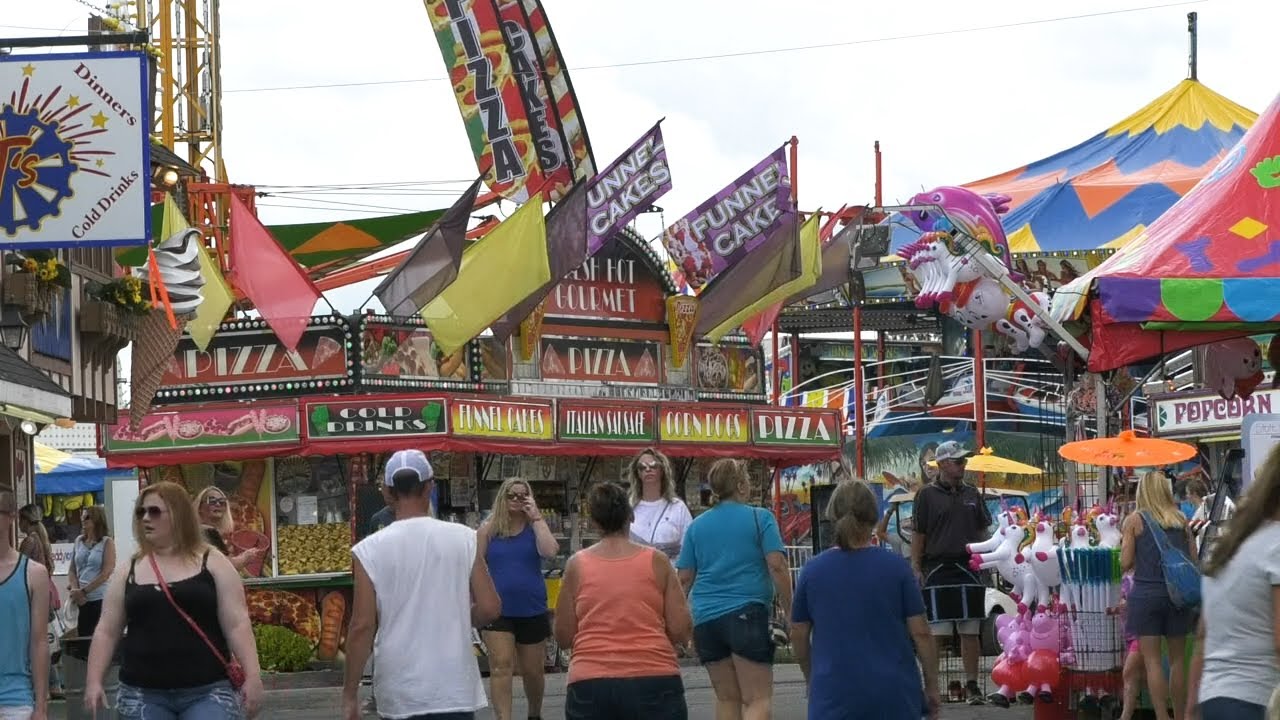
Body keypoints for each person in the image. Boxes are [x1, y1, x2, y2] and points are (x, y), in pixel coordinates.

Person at [342, 450, 501, 720]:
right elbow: (490, 607)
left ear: (386, 492)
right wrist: (460, 616)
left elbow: (362, 626)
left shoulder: (368, 550)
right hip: (453, 687)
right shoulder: (465, 538)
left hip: (400, 689)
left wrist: (349, 695)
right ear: (430, 487)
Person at [85, 482, 263, 719]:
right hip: (142, 692)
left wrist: (253, 676)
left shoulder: (213, 561)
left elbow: (237, 623)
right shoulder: (129, 569)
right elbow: (107, 630)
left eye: (155, 511)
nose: (146, 518)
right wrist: (93, 681)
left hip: (208, 690)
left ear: (178, 515)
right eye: (141, 512)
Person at [791, 479, 940, 719]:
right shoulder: (896, 568)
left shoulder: (812, 571)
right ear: (873, 516)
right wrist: (931, 686)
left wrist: (812, 678)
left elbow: (798, 633)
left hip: (832, 694)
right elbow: (921, 632)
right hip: (894, 695)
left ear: (832, 515)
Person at [554, 482, 691, 719]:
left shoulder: (576, 565)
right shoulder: (657, 561)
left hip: (591, 680)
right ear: (631, 516)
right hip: (654, 676)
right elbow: (680, 628)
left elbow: (564, 636)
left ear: (594, 522)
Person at [676, 459, 792, 720]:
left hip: (705, 620)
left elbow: (683, 579)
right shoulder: (760, 518)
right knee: (757, 700)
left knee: (727, 698)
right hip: (747, 615)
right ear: (740, 485)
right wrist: (789, 608)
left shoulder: (697, 526)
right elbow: (777, 565)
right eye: (748, 479)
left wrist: (680, 622)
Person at [1187, 445, 1280, 720]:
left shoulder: (1229, 545)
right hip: (1257, 700)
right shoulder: (1276, 545)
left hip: (1216, 697)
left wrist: (1191, 706)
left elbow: (1203, 635)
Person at [910, 440, 991, 705]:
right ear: (943, 464)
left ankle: (972, 685)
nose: (963, 465)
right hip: (937, 567)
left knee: (971, 629)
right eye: (958, 461)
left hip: (968, 566)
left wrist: (988, 560)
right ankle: (931, 686)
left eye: (964, 461)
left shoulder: (972, 493)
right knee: (938, 632)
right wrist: (916, 567)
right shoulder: (926, 495)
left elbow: (983, 531)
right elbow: (918, 534)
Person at [478, 477, 560, 720]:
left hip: (531, 607)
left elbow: (550, 551)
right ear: (502, 498)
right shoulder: (488, 529)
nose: (516, 500)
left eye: (522, 495)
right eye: (511, 495)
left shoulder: (534, 526)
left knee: (533, 671)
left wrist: (536, 517)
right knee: (501, 666)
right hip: (498, 609)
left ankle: (534, 713)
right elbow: (476, 565)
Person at [1121, 470, 1197, 720]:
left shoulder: (1134, 521)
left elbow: (1125, 562)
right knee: (1177, 661)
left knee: (1152, 662)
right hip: (1178, 598)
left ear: (1142, 491)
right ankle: (1182, 716)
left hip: (1146, 596)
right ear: (1165, 491)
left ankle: (1163, 716)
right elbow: (1194, 561)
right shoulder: (1182, 520)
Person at [0, 491, 51, 720]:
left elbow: (39, 642)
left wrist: (40, 707)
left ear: (11, 516)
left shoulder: (33, 573)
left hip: (16, 700)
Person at [17, 505, 63, 702]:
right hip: (44, 597)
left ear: (25, 521)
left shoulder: (29, 541)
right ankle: (54, 684)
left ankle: (42, 687)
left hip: (31, 598)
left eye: (20, 520)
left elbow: (19, 570)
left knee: (33, 643)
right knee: (43, 641)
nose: (18, 523)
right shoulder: (42, 539)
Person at [626, 448, 694, 560]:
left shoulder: (678, 507)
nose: (648, 469)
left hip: (670, 572)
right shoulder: (628, 507)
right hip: (636, 572)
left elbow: (689, 547)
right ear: (637, 473)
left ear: (662, 471)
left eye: (653, 466)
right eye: (642, 467)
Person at [68, 505, 115, 640]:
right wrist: (75, 589)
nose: (83, 520)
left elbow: (106, 573)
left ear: (97, 519)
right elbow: (72, 569)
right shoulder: (78, 540)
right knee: (84, 637)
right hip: (81, 600)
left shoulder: (107, 542)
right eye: (82, 517)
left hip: (99, 598)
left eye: (87, 517)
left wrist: (84, 591)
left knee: (100, 638)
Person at [193, 486, 265, 573]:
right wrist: (244, 558)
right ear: (200, 508)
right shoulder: (202, 532)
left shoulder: (221, 535)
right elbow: (222, 567)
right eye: (212, 501)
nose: (218, 504)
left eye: (222, 501)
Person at [1185, 478, 1235, 551]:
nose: (1187, 496)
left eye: (1188, 493)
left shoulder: (1200, 513)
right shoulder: (1220, 500)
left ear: (1194, 493)